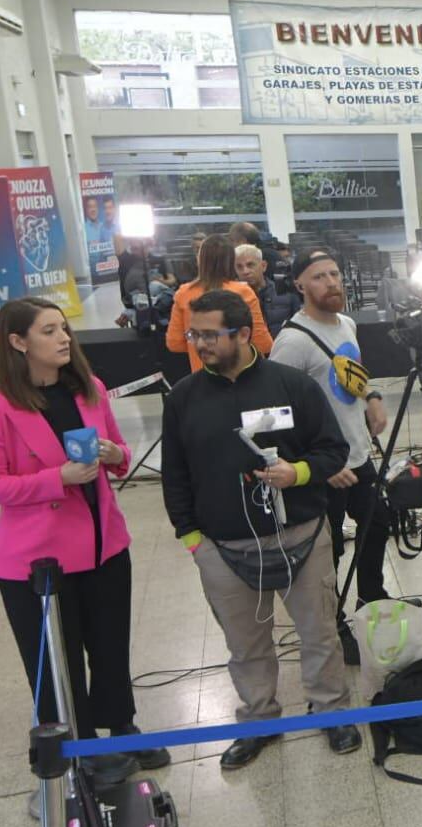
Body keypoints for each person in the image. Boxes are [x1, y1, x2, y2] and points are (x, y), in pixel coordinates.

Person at [0, 298, 170, 791]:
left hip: (104, 546)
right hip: (37, 563)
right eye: (48, 331)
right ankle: (77, 746)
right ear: (17, 342)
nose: (64, 339)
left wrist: (112, 453)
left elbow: (122, 457)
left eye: (65, 329)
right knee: (58, 662)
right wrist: (54, 478)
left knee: (108, 646)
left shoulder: (91, 390)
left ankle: (120, 727)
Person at [160, 290, 359, 770]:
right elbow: (175, 474)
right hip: (222, 547)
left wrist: (299, 474)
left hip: (303, 536)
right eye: (194, 334)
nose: (199, 343)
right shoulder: (184, 397)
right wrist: (193, 541)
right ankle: (259, 721)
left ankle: (331, 711)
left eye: (209, 334)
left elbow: (333, 449)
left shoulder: (292, 385)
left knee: (319, 633)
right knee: (246, 645)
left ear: (244, 334)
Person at [269, 249, 393, 664]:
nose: (332, 283)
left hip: (358, 453)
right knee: (330, 549)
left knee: (377, 525)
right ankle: (331, 619)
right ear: (300, 285)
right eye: (319, 276)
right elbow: (279, 417)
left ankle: (372, 598)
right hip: (325, 468)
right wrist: (322, 463)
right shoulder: (291, 342)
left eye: (335, 274)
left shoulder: (347, 324)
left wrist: (372, 396)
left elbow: (353, 375)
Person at [166, 233, 272, 373]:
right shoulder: (243, 292)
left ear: (200, 259)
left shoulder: (183, 293)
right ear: (231, 261)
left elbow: (174, 343)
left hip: (203, 376)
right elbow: (263, 344)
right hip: (242, 376)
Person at [235, 243, 300, 330]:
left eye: (250, 265)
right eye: (239, 267)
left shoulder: (286, 294)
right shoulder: (232, 300)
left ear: (263, 266)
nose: (245, 271)